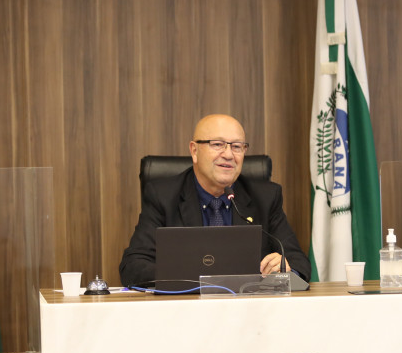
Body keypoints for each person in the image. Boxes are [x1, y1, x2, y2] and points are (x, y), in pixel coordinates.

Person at [120, 114, 310, 287]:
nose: (228, 155)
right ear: (194, 151)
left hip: (248, 308)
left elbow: (300, 264)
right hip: (185, 307)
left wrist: (285, 270)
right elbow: (133, 266)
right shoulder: (163, 196)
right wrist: (194, 277)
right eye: (217, 144)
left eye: (237, 147)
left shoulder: (265, 197)